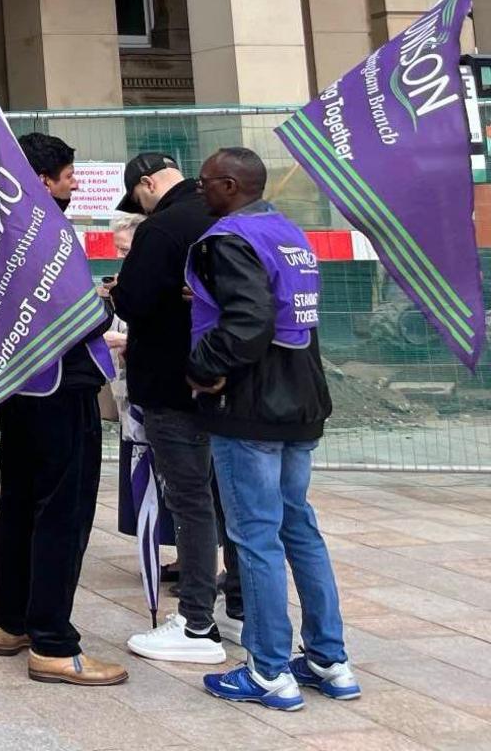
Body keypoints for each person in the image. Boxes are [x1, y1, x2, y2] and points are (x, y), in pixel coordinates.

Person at [187, 147, 354, 711]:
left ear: (230, 185)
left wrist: (203, 369)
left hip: (251, 406)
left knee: (255, 534)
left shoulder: (230, 240)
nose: (200, 189)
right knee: (299, 527)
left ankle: (267, 671)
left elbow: (248, 322)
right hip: (301, 399)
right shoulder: (287, 233)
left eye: (206, 181)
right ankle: (330, 660)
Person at [0, 133, 123, 688]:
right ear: (44, 179)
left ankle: (10, 622)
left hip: (15, 390)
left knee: (17, 503)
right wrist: (108, 303)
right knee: (61, 515)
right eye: (68, 174)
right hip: (60, 389)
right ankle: (53, 642)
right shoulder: (48, 232)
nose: (73, 182)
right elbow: (78, 318)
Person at [112, 151, 241, 664]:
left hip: (171, 383)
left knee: (189, 502)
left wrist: (120, 290)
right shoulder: (231, 215)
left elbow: (135, 302)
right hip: (231, 382)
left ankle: (195, 622)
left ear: (147, 185)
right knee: (229, 498)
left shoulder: (161, 228)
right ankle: (240, 602)